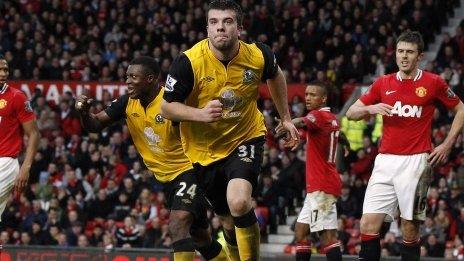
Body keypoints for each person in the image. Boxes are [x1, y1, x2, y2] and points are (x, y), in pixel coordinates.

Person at [161, 1, 299, 260]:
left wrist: (286, 117)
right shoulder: (188, 62)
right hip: (203, 151)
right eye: (214, 22)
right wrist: (200, 115)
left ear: (240, 27)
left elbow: (276, 75)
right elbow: (167, 108)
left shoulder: (258, 55)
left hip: (245, 137)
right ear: (207, 28)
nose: (220, 28)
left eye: (227, 22)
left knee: (239, 202)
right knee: (226, 222)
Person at [75, 56, 226, 261]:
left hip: (189, 170)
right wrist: (84, 113)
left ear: (151, 79)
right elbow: (94, 125)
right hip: (165, 178)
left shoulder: (171, 103)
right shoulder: (127, 103)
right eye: (127, 76)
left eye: (133, 77)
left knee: (177, 224)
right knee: (201, 239)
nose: (127, 81)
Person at [346, 30, 464, 261]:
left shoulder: (433, 82)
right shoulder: (383, 83)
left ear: (419, 56)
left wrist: (447, 144)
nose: (404, 56)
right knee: (368, 224)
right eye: (400, 51)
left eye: (409, 52)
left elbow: (461, 109)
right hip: (384, 161)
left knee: (409, 228)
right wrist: (370, 109)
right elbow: (351, 112)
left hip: (416, 162)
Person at [277, 81, 348, 261]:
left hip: (322, 187)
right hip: (318, 187)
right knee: (301, 232)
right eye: (307, 94)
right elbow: (336, 134)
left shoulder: (318, 116)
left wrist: (288, 122)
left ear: (323, 98)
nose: (307, 98)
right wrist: (345, 144)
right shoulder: (331, 119)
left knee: (327, 237)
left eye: (313, 95)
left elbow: (301, 122)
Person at [0, 55, 40, 224]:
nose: (3, 73)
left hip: (6, 163)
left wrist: (26, 166)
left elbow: (34, 134)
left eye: (5, 70)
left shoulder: (17, 97)